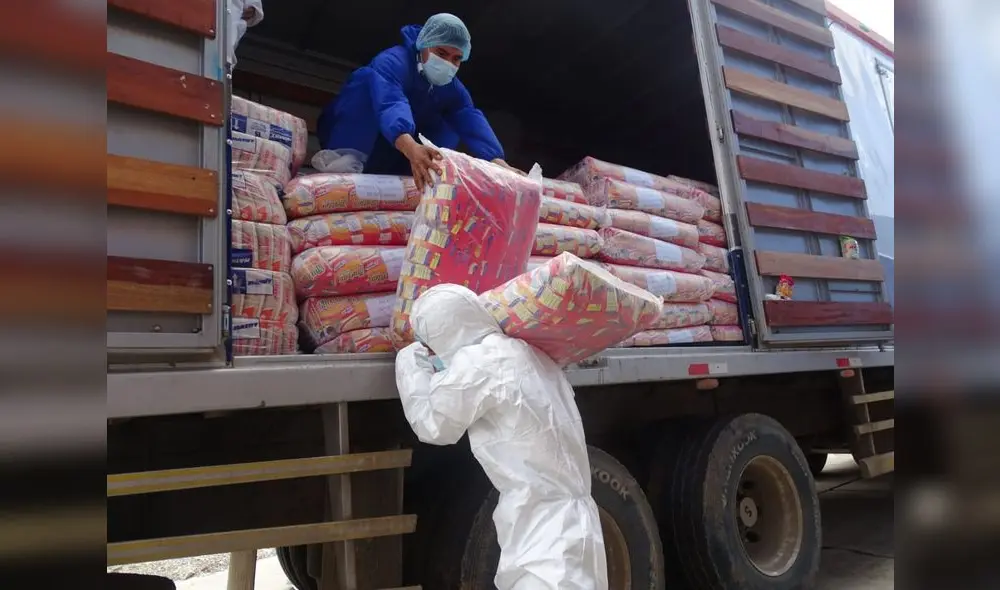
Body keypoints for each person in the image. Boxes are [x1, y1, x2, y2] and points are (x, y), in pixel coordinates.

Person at [395, 284, 609, 590]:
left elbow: (433, 425)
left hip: (541, 528)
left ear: (444, 334)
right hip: (574, 518)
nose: (432, 353)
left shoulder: (479, 363)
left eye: (430, 344)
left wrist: (409, 361)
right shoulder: (530, 353)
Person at [316, 14, 521, 189]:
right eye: (441, 53)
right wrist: (410, 147)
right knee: (367, 83)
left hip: (397, 153)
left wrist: (497, 160)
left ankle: (423, 174)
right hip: (362, 139)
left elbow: (469, 116)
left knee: (451, 118)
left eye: (456, 58)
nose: (448, 63)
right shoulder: (393, 62)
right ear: (423, 44)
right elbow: (390, 103)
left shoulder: (450, 87)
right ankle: (344, 162)